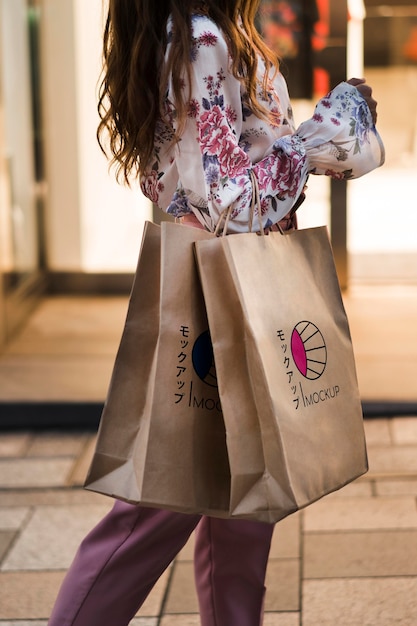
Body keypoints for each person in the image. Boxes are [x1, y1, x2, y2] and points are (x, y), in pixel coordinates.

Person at [48, 1, 384, 625]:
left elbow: (227, 176)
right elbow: (231, 202)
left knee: (248, 504)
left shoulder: (216, 30)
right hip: (216, 282)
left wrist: (314, 134)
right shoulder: (201, 37)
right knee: (161, 502)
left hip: (240, 276)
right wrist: (319, 137)